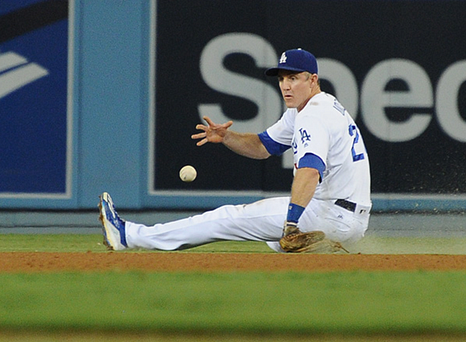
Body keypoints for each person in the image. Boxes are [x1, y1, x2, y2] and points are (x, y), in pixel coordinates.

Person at [99, 48, 371, 253]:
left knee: (229, 218)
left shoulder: (313, 115)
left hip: (329, 214)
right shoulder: (313, 107)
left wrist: (291, 224)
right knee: (273, 242)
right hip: (348, 218)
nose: (286, 85)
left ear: (313, 79)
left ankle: (129, 235)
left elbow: (310, 171)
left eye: (294, 78)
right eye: (282, 78)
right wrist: (227, 137)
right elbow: (265, 146)